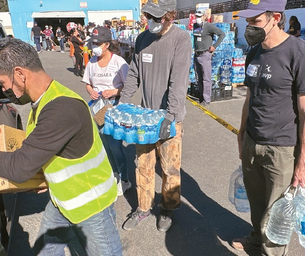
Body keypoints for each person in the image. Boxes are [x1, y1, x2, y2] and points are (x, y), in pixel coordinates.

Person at [0, 38, 122, 256]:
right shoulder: (44, 102)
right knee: (46, 252)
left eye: (3, 82)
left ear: (20, 73)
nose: (4, 89)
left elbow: (20, 167)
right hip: (63, 201)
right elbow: (50, 152)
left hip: (92, 207)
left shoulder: (61, 109)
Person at [233, 0, 305, 255]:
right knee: (257, 202)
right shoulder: (254, 52)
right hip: (252, 140)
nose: (250, 27)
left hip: (281, 149)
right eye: (248, 22)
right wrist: (242, 133)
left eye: (255, 21)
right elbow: (250, 97)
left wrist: (304, 162)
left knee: (276, 216)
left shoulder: (302, 55)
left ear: (275, 17)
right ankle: (254, 238)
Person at [119, 0, 192, 232]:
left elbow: (178, 81)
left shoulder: (181, 39)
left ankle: (168, 208)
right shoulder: (142, 39)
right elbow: (133, 75)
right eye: (148, 15)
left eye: (157, 17)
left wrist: (170, 116)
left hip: (170, 118)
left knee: (170, 168)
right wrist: (122, 104)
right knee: (143, 164)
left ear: (170, 16)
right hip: (146, 117)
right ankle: (143, 208)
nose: (151, 21)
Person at [82, 27, 131, 196]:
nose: (94, 46)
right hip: (98, 108)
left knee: (116, 146)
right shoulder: (91, 62)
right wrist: (90, 91)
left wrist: (114, 91)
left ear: (107, 45)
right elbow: (87, 83)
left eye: (98, 43)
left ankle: (125, 180)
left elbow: (128, 87)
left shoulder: (119, 62)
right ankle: (114, 174)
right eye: (93, 43)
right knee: (105, 146)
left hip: (114, 107)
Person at [193, 9, 225, 106]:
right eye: (197, 16)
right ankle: (201, 97)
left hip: (205, 54)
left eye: (200, 16)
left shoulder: (209, 26)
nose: (198, 18)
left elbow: (222, 34)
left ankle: (206, 100)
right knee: (198, 77)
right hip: (197, 54)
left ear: (205, 16)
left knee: (206, 78)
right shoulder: (195, 26)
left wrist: (214, 46)